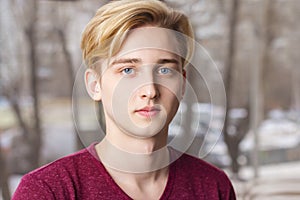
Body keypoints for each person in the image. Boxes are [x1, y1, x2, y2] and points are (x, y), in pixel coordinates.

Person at [13, 0, 236, 199]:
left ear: (183, 83)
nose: (149, 90)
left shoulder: (213, 187)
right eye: (128, 70)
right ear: (95, 85)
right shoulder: (47, 191)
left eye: (165, 71)